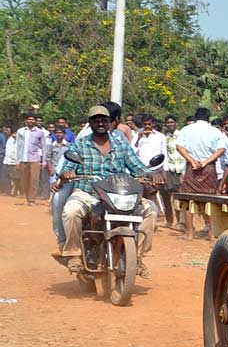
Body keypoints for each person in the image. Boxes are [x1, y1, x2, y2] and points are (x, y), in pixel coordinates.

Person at [55, 106, 157, 278]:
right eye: (96, 120)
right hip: (87, 193)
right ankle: (73, 255)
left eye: (104, 120)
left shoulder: (121, 144)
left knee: (151, 210)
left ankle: (138, 258)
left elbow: (136, 165)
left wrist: (150, 174)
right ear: (90, 123)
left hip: (117, 194)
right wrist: (67, 174)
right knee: (71, 211)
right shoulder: (81, 144)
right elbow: (68, 167)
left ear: (110, 122)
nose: (100, 123)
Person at [176, 107, 226, 240]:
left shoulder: (186, 129)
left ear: (195, 116)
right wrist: (206, 162)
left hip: (192, 167)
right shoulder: (215, 131)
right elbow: (221, 149)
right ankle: (211, 234)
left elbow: (179, 146)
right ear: (208, 118)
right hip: (208, 167)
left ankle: (190, 233)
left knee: (188, 200)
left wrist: (192, 161)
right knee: (209, 200)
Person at [134, 114, 168, 209]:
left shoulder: (160, 136)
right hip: (144, 168)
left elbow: (164, 153)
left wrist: (165, 170)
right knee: (145, 193)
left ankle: (168, 218)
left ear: (152, 124)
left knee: (164, 193)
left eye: (149, 124)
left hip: (157, 168)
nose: (147, 126)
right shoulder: (137, 136)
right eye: (145, 124)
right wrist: (138, 139)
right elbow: (132, 150)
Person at [15, 112, 48, 205]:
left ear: (35, 121)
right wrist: (17, 161)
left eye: (32, 119)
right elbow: (18, 146)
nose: (31, 121)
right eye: (29, 119)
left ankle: (32, 200)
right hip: (23, 159)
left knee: (34, 180)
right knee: (24, 180)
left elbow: (43, 147)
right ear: (26, 120)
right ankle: (27, 198)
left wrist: (44, 161)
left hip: (35, 159)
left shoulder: (40, 132)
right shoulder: (21, 131)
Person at [161, 115, 186, 230]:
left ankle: (182, 222)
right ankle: (171, 220)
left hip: (181, 168)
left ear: (176, 123)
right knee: (168, 195)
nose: (170, 124)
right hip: (170, 168)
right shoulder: (165, 137)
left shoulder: (182, 135)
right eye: (168, 122)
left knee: (180, 196)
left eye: (171, 122)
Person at [3, 125, 18, 195]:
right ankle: (12, 190)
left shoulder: (16, 140)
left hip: (14, 161)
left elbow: (15, 151)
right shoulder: (9, 139)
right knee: (10, 176)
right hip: (8, 161)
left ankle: (15, 190)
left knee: (15, 177)